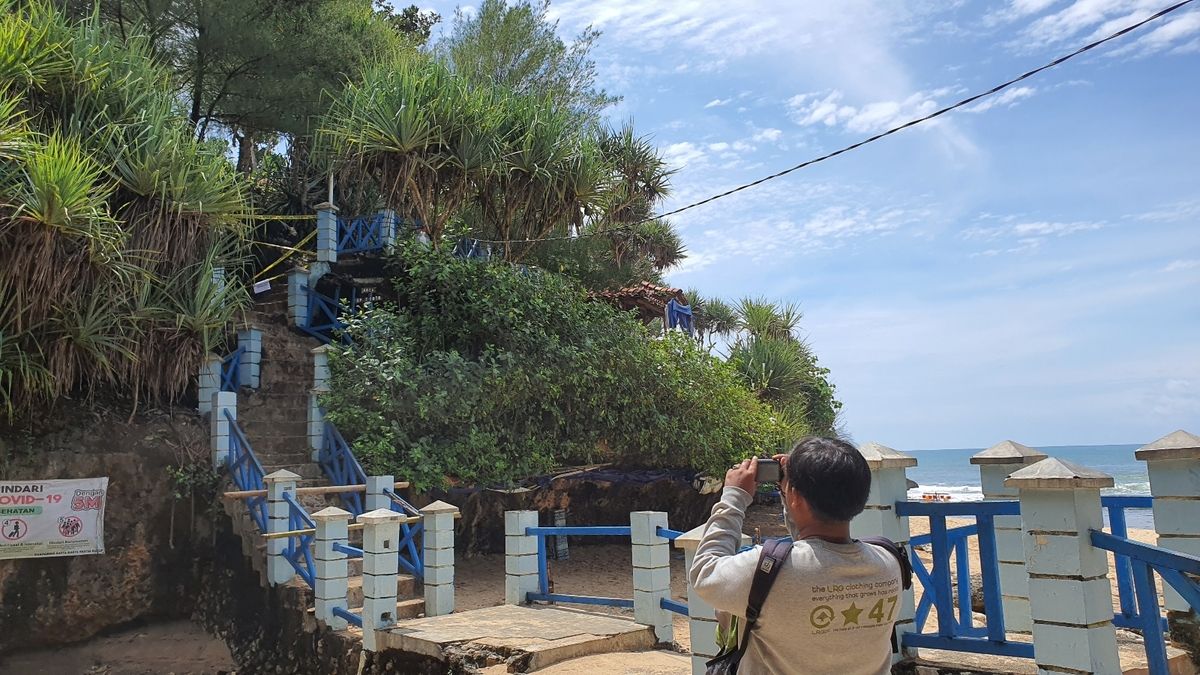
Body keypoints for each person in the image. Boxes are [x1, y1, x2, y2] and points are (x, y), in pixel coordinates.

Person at [690, 437, 902, 675]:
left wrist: (734, 497)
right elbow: (813, 550)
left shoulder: (765, 570)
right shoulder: (890, 563)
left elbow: (704, 572)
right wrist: (791, 493)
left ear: (796, 497)